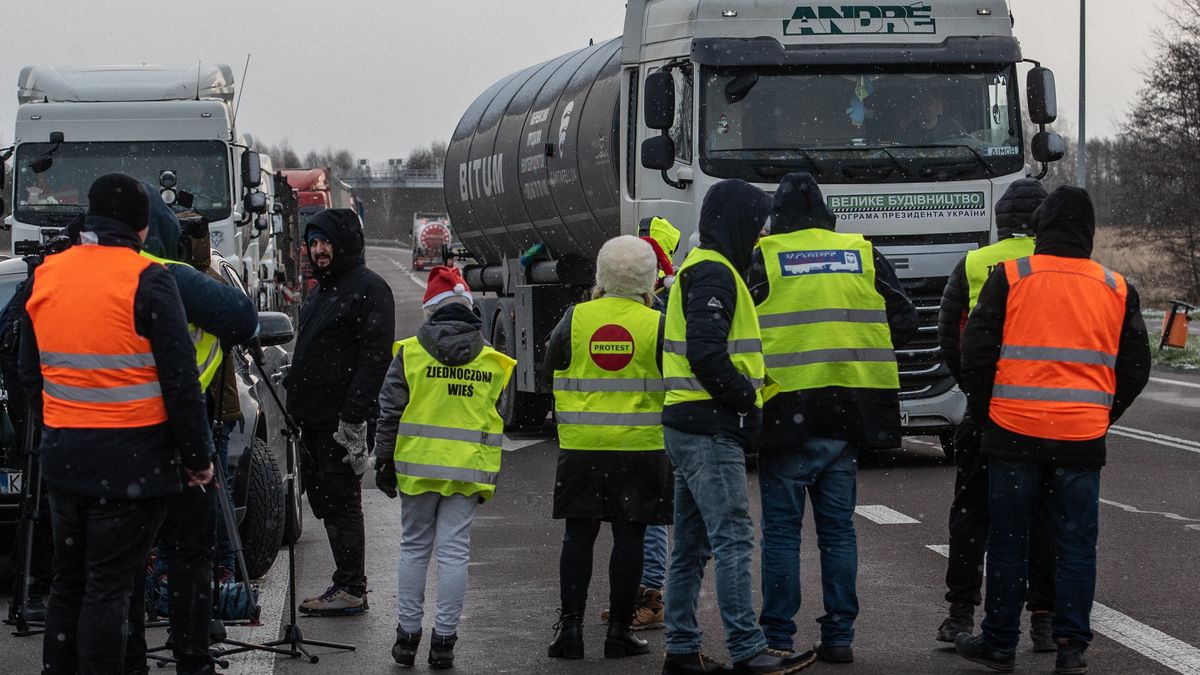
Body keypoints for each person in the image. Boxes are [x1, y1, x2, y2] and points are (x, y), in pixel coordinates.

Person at [19, 174, 214, 674]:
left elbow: (27, 370)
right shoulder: (148, 279)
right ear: (143, 228)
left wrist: (53, 426)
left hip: (64, 460)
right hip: (132, 464)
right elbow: (180, 380)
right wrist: (197, 459)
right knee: (110, 586)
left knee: (69, 582)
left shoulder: (48, 275)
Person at [955, 186, 1151, 674]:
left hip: (1014, 432)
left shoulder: (1012, 276)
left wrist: (985, 412)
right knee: (1076, 545)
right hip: (1081, 438)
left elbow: (976, 351)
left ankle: (999, 642)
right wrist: (1103, 413)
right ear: (1088, 232)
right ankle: (1070, 648)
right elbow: (1135, 367)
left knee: (1009, 539)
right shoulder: (1116, 286)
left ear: (1042, 227)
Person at [747, 172, 917, 664]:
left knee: (781, 530)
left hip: (785, 411)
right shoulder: (861, 253)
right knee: (837, 530)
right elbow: (903, 319)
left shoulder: (766, 258)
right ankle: (839, 635)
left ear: (777, 217)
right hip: (847, 411)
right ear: (825, 212)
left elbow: (738, 327)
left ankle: (778, 634)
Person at [660, 179, 815, 675]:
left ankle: (682, 649)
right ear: (737, 222)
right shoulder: (715, 273)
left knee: (690, 545)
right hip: (710, 426)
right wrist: (746, 399)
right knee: (732, 537)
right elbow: (708, 353)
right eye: (758, 219)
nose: (763, 229)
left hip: (689, 420)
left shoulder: (706, 267)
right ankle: (748, 649)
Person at [124, 190, 258, 675]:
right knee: (188, 553)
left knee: (122, 565)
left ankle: (130, 656)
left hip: (117, 443)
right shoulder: (174, 278)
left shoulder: (94, 278)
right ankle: (193, 653)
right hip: (180, 437)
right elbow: (243, 320)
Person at [935, 178, 1058, 650]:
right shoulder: (1061, 265)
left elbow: (949, 334)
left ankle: (960, 613)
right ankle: (1044, 620)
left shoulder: (974, 263)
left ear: (1000, 223)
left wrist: (973, 390)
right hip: (1048, 415)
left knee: (972, 512)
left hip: (987, 412)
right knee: (1044, 517)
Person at [373, 266, 515, 670]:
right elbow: (494, 416)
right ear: (468, 307)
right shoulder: (492, 361)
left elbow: (389, 411)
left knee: (415, 549)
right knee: (454, 553)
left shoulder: (410, 354)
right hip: (466, 471)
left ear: (431, 311)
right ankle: (444, 643)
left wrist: (384, 460)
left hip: (418, 469)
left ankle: (407, 638)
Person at [545, 235, 673, 660]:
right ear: (648, 278)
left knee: (578, 536)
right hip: (640, 445)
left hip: (582, 446)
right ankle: (619, 632)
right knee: (630, 536)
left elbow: (550, 367)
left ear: (601, 275)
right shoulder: (658, 322)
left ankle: (570, 632)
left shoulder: (576, 317)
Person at [286, 208, 395, 615]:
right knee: (326, 503)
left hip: (339, 421)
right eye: (313, 243)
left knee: (342, 502)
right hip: (312, 420)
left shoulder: (370, 288)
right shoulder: (321, 290)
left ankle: (352, 587)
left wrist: (354, 417)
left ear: (345, 242)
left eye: (326, 242)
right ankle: (344, 582)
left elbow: (374, 359)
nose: (319, 250)